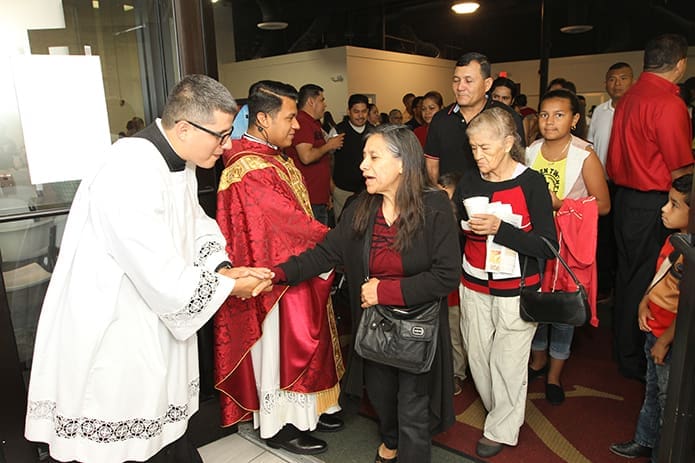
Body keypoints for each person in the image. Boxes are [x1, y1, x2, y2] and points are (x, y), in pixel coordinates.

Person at [24, 74, 274, 463]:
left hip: (150, 320)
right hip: (116, 325)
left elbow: (196, 226)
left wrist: (222, 266)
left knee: (163, 432)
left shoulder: (180, 163)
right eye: (221, 135)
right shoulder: (129, 169)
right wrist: (226, 287)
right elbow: (157, 271)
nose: (227, 146)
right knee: (126, 435)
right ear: (185, 127)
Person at [273, 124, 461, 462]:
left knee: (413, 408)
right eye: (363, 157)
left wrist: (384, 291)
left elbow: (446, 276)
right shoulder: (362, 206)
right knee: (383, 399)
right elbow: (325, 253)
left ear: (403, 162)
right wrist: (274, 274)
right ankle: (390, 441)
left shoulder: (435, 207)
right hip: (373, 326)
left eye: (373, 157)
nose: (363, 166)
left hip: (418, 327)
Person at [215, 80, 344, 456]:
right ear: (263, 118)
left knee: (307, 341)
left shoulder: (273, 156)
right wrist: (335, 240)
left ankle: (312, 411)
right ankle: (280, 424)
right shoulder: (249, 167)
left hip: (294, 263)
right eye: (289, 118)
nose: (295, 126)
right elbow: (284, 222)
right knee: (283, 348)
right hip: (273, 276)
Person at [453, 107, 557, 458]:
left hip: (517, 286)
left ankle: (501, 425)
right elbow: (456, 223)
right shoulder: (469, 181)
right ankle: (501, 408)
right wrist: (463, 227)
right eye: (473, 148)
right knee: (479, 357)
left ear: (509, 142)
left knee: (509, 361)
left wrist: (502, 230)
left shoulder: (531, 182)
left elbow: (548, 246)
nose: (478, 156)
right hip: (474, 281)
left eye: (485, 147)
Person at [606, 33, 693, 381]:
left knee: (628, 276)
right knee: (649, 279)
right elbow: (682, 172)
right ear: (681, 63)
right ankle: (637, 358)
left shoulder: (628, 98)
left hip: (625, 199)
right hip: (655, 202)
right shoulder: (668, 103)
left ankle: (623, 351)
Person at [526, 89, 610, 404]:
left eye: (559, 115)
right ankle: (537, 361)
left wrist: (561, 203)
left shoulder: (584, 155)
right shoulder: (530, 150)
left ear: (574, 119)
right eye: (544, 114)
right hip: (536, 242)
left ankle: (554, 375)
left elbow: (603, 205)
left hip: (569, 246)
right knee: (534, 304)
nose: (549, 122)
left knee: (562, 310)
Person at [609, 174, 691, 462]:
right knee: (653, 391)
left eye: (674, 205)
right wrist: (644, 301)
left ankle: (664, 453)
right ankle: (645, 440)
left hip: (669, 338)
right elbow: (659, 278)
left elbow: (688, 308)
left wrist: (665, 341)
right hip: (654, 328)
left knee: (670, 401)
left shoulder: (690, 254)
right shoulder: (673, 241)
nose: (664, 209)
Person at [424, 51, 525, 184]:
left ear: (487, 84)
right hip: (449, 200)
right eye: (456, 80)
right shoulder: (441, 119)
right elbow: (432, 166)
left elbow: (517, 164)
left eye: (468, 81)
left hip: (494, 201)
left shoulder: (506, 117)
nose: (460, 87)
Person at [586, 62, 634, 303]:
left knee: (624, 234)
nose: (617, 84)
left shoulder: (637, 108)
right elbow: (591, 145)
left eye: (623, 78)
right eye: (612, 79)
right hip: (602, 181)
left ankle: (623, 287)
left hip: (628, 183)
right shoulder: (600, 112)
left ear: (632, 80)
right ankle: (603, 286)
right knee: (602, 236)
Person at [285, 83, 345, 226]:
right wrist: (329, 145)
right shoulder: (302, 121)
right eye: (322, 100)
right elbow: (306, 157)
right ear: (311, 101)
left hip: (319, 197)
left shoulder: (314, 123)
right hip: (309, 198)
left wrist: (327, 194)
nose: (325, 105)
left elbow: (322, 160)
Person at [437, 170, 467, 395]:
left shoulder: (461, 229)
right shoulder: (432, 219)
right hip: (436, 289)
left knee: (454, 334)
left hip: (454, 290)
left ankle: (457, 373)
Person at [332, 93, 372, 219]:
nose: (360, 116)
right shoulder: (338, 131)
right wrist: (331, 187)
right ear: (349, 111)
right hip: (342, 190)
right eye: (356, 112)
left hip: (368, 191)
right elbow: (328, 160)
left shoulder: (374, 132)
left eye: (364, 111)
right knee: (342, 228)